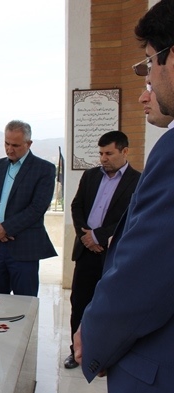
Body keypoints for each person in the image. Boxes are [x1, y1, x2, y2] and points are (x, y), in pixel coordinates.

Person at [74, 2, 174, 393]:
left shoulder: (170, 152)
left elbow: (147, 274)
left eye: (150, 63)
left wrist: (94, 337)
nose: (145, 86)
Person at [63, 131, 140, 370]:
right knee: (79, 303)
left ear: (124, 151)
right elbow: (76, 207)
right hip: (86, 253)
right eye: (101, 153)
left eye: (109, 153)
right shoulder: (90, 176)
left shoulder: (138, 181)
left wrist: (98, 236)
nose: (103, 158)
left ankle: (102, 355)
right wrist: (85, 237)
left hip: (112, 255)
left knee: (108, 307)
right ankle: (76, 352)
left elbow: (130, 217)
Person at [0, 120, 57, 297]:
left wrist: (5, 228)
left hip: (24, 249)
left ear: (29, 144)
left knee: (24, 305)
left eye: (15, 145)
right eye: (6, 143)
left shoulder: (44, 169)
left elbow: (37, 208)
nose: (9, 149)